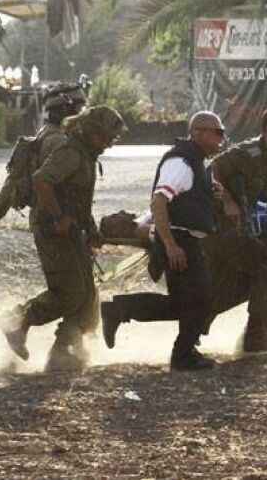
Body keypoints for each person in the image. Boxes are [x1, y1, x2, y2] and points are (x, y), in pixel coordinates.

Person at [0, 106, 124, 371]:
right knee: (70, 292)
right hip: (52, 229)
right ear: (91, 132)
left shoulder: (85, 154)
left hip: (70, 230)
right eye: (105, 138)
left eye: (111, 140)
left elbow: (78, 200)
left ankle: (65, 352)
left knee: (88, 295)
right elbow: (41, 180)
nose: (108, 145)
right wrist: (58, 217)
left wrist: (90, 229)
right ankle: (17, 320)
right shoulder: (71, 153)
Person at [101, 111, 226, 371]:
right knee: (200, 300)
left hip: (184, 239)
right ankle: (182, 356)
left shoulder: (199, 162)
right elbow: (159, 202)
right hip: (178, 239)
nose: (222, 138)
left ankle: (121, 309)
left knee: (184, 304)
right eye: (218, 132)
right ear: (199, 132)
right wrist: (170, 244)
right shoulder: (181, 162)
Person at [208, 106, 267, 352]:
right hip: (227, 229)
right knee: (266, 272)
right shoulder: (249, 153)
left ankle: (258, 335)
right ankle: (255, 337)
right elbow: (210, 170)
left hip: (251, 228)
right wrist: (227, 201)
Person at [0, 83, 86, 229]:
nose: (83, 116)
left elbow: (14, 176)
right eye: (80, 110)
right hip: (56, 224)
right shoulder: (61, 143)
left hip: (46, 220)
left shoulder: (46, 133)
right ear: (67, 110)